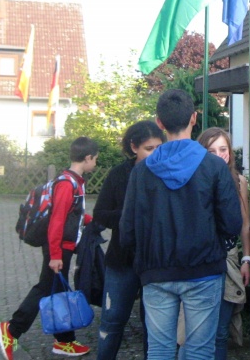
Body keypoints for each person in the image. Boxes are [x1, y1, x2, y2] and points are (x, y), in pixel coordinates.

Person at [119, 89, 242, 360]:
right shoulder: (214, 167)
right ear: (194, 118)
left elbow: (127, 231)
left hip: (156, 270)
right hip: (204, 269)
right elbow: (232, 223)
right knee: (199, 350)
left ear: (159, 123)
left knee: (159, 350)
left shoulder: (141, 171)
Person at [0, 136, 98, 360]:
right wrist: (55, 255)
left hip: (62, 247)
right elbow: (57, 221)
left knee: (58, 290)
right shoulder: (67, 184)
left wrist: (92, 220)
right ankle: (12, 330)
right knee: (44, 288)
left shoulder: (74, 181)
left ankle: (64, 341)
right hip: (58, 248)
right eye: (95, 159)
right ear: (88, 157)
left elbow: (72, 214)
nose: (96, 163)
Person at [94, 120, 164, 360]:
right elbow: (100, 214)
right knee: (112, 320)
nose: (155, 154)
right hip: (122, 260)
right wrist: (129, 215)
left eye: (159, 148)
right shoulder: (118, 175)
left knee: (153, 325)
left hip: (155, 261)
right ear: (134, 147)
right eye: (149, 148)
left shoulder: (166, 173)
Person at [195, 127, 250, 360]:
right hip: (202, 260)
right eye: (211, 151)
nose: (218, 155)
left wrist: (246, 258)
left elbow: (245, 223)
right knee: (198, 331)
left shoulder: (239, 181)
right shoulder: (194, 178)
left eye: (223, 149)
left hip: (229, 257)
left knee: (220, 331)